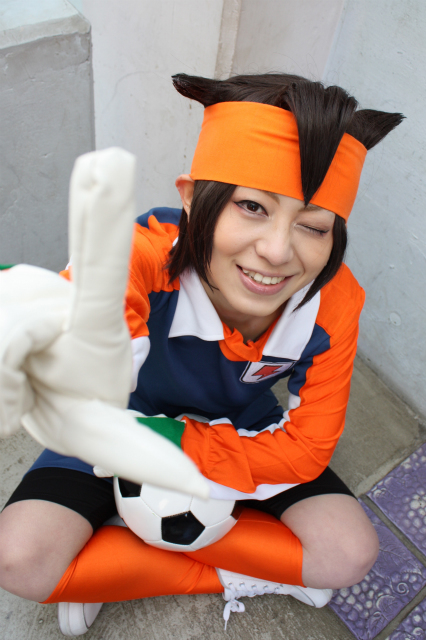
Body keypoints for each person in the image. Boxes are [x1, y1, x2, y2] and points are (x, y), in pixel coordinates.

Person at [0, 73, 403, 635]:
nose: (277, 251)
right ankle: (234, 563)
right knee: (18, 557)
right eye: (252, 207)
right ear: (192, 198)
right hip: (122, 423)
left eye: (313, 226)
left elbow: (307, 447)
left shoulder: (333, 304)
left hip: (245, 431)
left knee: (347, 553)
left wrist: (181, 445)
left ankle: (117, 559)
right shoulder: (144, 251)